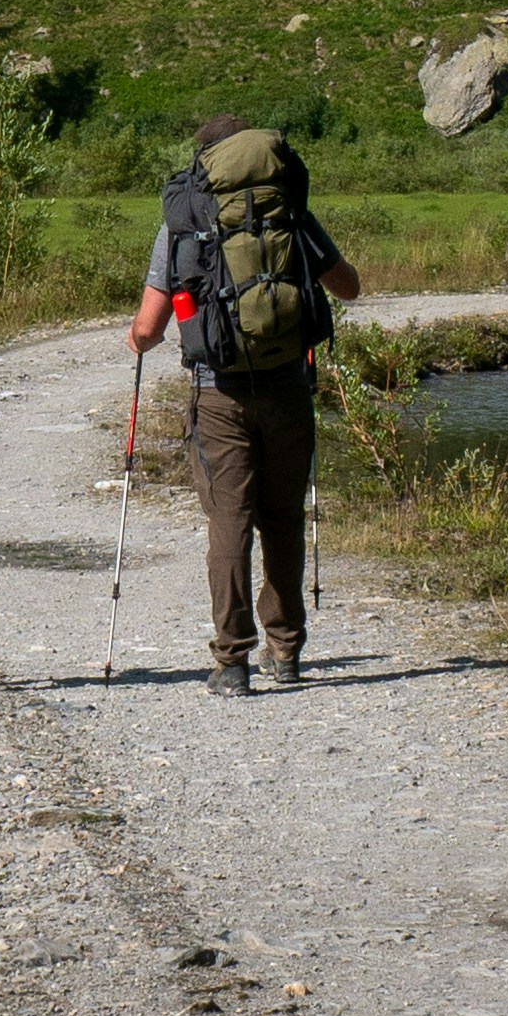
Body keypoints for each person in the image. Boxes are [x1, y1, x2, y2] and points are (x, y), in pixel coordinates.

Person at [133, 116, 360, 694]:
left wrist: (138, 341)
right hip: (287, 387)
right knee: (281, 519)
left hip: (218, 395)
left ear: (205, 166)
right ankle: (285, 653)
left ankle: (231, 662)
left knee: (229, 522)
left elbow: (148, 327)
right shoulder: (291, 214)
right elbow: (348, 286)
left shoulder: (184, 223)